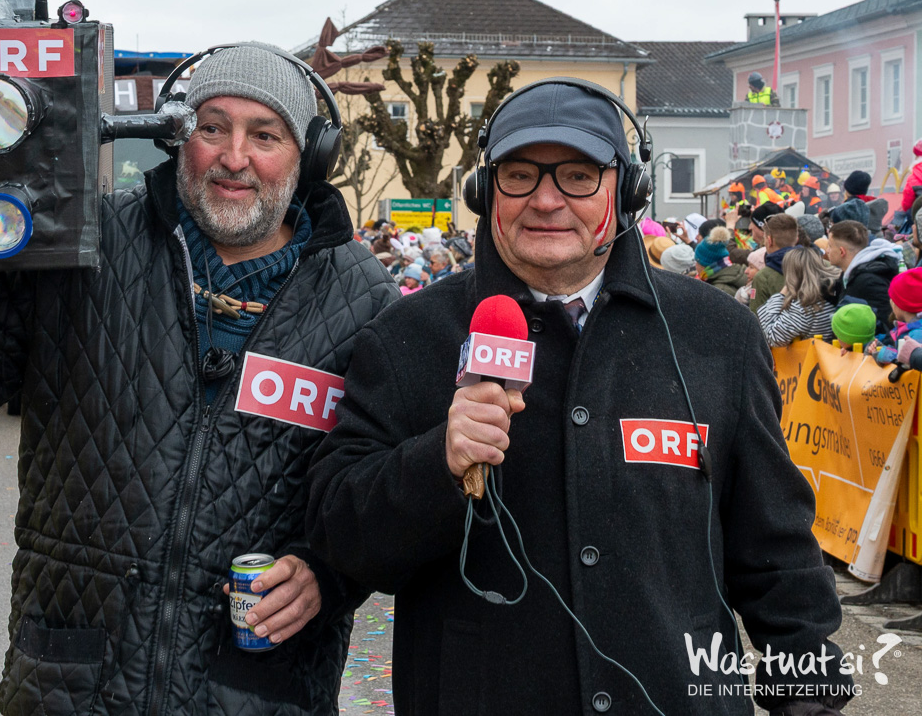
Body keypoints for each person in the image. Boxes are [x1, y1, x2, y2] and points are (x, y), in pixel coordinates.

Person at [0, 43, 398, 715]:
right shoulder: (84, 242)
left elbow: (374, 487)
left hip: (259, 691)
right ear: (176, 137)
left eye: (265, 135)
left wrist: (330, 574)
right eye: (211, 127)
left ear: (309, 156)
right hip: (74, 680)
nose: (234, 157)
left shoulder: (365, 301)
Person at [307, 78, 851, 715]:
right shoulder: (408, 336)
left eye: (578, 176)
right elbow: (342, 538)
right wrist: (438, 463)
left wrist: (809, 696)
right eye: (519, 176)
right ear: (485, 192)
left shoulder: (718, 335)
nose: (546, 200)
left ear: (627, 190)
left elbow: (775, 547)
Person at [827, 219, 901, 334]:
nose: (827, 251)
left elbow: (886, 322)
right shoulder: (849, 274)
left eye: (830, 246)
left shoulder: (868, 280)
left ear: (842, 252)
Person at [756, 247, 839, 346]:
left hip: (809, 355)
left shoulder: (804, 306)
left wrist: (781, 294)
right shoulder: (831, 293)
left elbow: (773, 338)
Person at [749, 213, 800, 312]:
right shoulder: (818, 265)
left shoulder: (763, 277)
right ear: (796, 239)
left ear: (769, 240)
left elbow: (756, 316)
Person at [694, 226, 747, 295]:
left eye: (696, 261)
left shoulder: (718, 291)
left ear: (703, 264)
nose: (695, 265)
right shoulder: (726, 274)